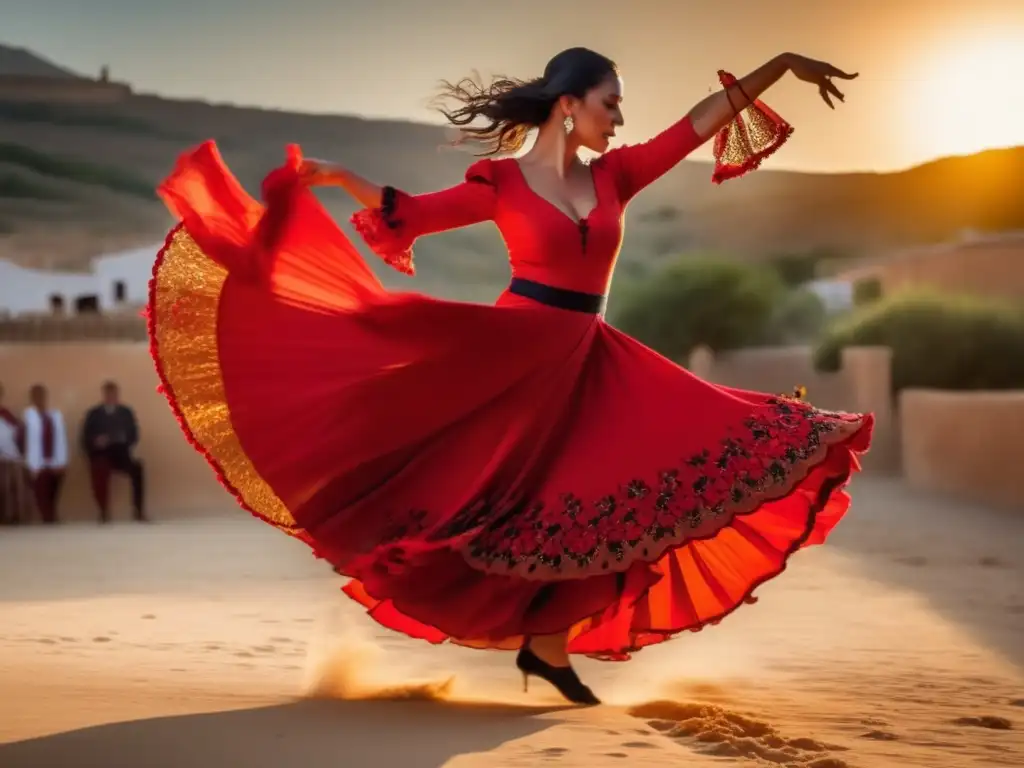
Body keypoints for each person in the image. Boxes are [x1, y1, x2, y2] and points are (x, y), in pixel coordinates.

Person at [147, 48, 871, 705]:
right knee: (500, 497)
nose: (618, 118)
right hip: (512, 356)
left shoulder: (617, 174)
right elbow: (413, 213)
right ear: (569, 105)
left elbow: (696, 122)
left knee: (614, 490)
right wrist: (337, 177)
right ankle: (542, 646)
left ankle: (547, 649)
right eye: (609, 102)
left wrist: (779, 66)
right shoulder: (500, 182)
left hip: (587, 356)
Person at [81, 381, 146, 523]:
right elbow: (85, 437)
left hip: (121, 453)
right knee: (100, 470)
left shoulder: (126, 412)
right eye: (108, 394)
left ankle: (138, 510)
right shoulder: (94, 414)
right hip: (101, 454)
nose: (111, 397)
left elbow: (134, 435)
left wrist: (121, 439)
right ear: (104, 395)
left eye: (114, 394)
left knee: (137, 468)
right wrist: (96, 442)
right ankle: (103, 511)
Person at [22, 384, 67, 524]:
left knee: (53, 491)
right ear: (31, 398)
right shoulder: (28, 417)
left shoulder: (55, 415)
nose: (39, 399)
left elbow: (61, 439)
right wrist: (28, 463)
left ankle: (51, 516)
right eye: (36, 396)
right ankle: (48, 519)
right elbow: (24, 440)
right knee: (41, 493)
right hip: (36, 463)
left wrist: (62, 461)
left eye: (41, 395)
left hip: (54, 460)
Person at [0, 382, 29, 525]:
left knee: (14, 485)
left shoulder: (7, 414)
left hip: (10, 456)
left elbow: (19, 431)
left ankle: (15, 518)